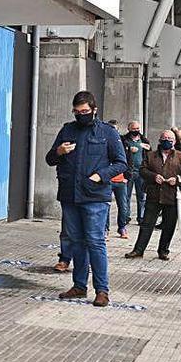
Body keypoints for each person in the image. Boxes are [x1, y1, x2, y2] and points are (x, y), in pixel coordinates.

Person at [45, 91, 127, 308]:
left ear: (94, 110)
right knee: (76, 242)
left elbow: (121, 163)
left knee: (95, 242)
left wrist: (100, 175)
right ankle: (79, 286)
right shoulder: (67, 130)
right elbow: (49, 159)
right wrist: (59, 151)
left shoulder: (107, 133)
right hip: (70, 196)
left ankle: (102, 291)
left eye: (85, 112)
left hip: (95, 196)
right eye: (77, 111)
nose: (81, 115)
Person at [125, 130, 181, 261]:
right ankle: (138, 250)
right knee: (146, 224)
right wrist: (153, 176)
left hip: (172, 196)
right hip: (154, 195)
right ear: (160, 140)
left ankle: (163, 250)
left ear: (174, 141)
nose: (166, 140)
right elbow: (142, 170)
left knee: (169, 225)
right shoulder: (151, 155)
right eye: (164, 138)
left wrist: (178, 179)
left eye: (169, 138)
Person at [121, 120, 150, 224]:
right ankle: (126, 217)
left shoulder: (144, 140)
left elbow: (149, 155)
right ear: (129, 129)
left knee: (142, 196)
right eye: (134, 129)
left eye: (137, 129)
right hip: (129, 171)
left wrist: (148, 149)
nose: (136, 131)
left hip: (141, 172)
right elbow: (120, 152)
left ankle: (141, 217)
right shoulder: (124, 140)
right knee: (126, 196)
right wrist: (128, 150)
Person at [105, 120, 130, 239]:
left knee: (123, 206)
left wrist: (127, 177)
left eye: (115, 129)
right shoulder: (102, 143)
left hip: (121, 180)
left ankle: (122, 228)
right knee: (106, 205)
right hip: (107, 180)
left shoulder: (122, 143)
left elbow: (128, 161)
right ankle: (105, 229)